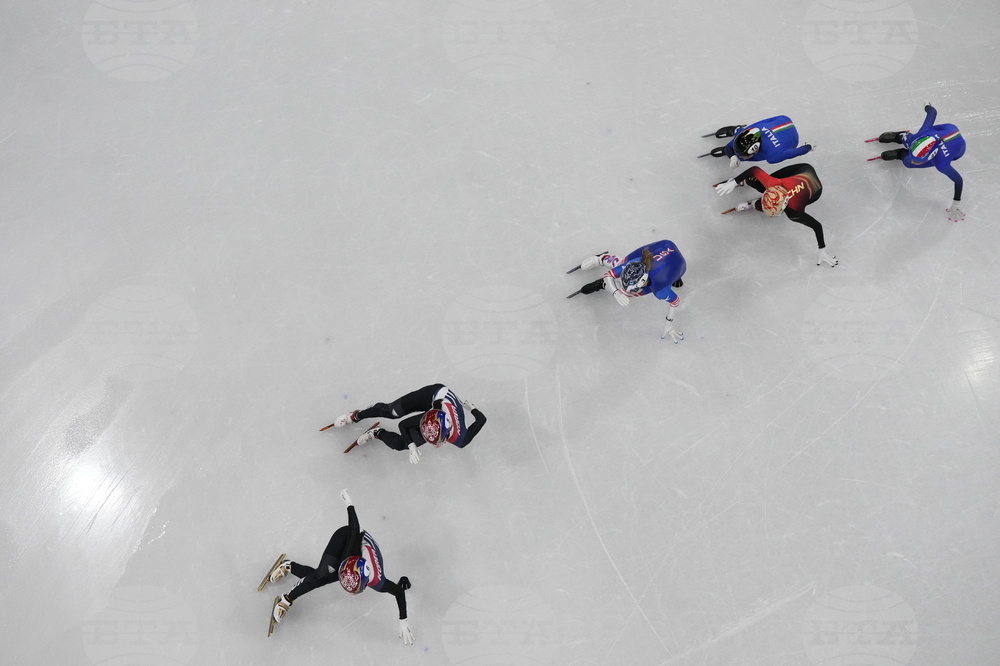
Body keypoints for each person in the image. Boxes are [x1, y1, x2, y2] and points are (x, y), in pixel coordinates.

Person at [261, 489, 415, 644]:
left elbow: (398, 592)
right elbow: (354, 527)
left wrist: (403, 620)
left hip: (359, 549)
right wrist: (349, 502)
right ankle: (286, 600)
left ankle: (289, 567)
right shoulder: (349, 555)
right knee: (321, 576)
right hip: (347, 537)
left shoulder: (378, 581)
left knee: (321, 579)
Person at [714, 163, 838, 267]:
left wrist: (822, 249)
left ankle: (753, 203)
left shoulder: (795, 211)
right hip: (803, 171)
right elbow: (754, 169)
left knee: (762, 187)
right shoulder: (773, 183)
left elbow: (816, 226)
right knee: (760, 184)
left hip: (815, 190)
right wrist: (734, 181)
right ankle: (747, 182)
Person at [327, 384, 486, 464]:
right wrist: (412, 445)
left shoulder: (461, 438)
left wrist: (472, 408)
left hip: (442, 407)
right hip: (435, 395)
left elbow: (481, 420)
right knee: (392, 412)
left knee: (400, 444)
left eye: (435, 441)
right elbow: (403, 425)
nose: (433, 445)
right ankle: (356, 415)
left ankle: (376, 433)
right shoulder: (432, 419)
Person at [574, 240, 687, 343]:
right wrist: (615, 293)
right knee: (619, 268)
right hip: (664, 247)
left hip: (674, 261)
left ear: (643, 282)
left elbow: (675, 302)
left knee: (626, 292)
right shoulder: (636, 262)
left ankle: (605, 279)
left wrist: (669, 324)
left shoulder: (660, 290)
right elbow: (609, 275)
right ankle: (602, 259)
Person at [875, 104, 966, 221]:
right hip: (946, 130)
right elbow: (932, 112)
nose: (914, 160)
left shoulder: (942, 163)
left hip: (957, 151)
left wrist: (956, 202)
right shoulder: (923, 132)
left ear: (930, 157)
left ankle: (900, 153)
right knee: (909, 140)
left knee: (908, 163)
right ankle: (899, 136)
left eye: (917, 160)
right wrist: (927, 105)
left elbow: (958, 180)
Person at [706, 115, 813, 168]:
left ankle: (736, 133)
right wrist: (732, 156)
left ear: (756, 150)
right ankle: (735, 129)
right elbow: (730, 147)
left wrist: (808, 147)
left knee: (742, 157)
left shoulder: (774, 156)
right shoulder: (744, 133)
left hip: (792, 139)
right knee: (754, 128)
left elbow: (796, 152)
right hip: (782, 120)